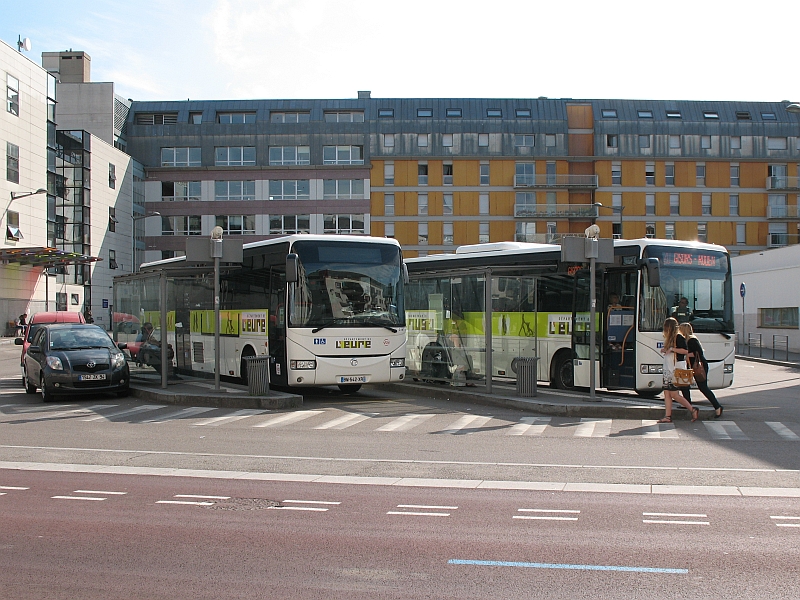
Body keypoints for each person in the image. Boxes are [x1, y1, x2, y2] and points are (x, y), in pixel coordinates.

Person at [659, 317, 699, 423]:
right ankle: (668, 416)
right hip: (669, 369)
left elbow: (685, 351)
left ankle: (692, 409)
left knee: (673, 394)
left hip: (674, 369)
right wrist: (666, 350)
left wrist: (671, 349)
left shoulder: (678, 337)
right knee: (667, 394)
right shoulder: (672, 338)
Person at [680, 322, 724, 418]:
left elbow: (698, 353)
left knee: (703, 387)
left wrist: (687, 354)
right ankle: (687, 403)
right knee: (685, 385)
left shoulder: (691, 340)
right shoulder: (690, 339)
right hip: (696, 366)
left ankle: (717, 406)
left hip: (699, 366)